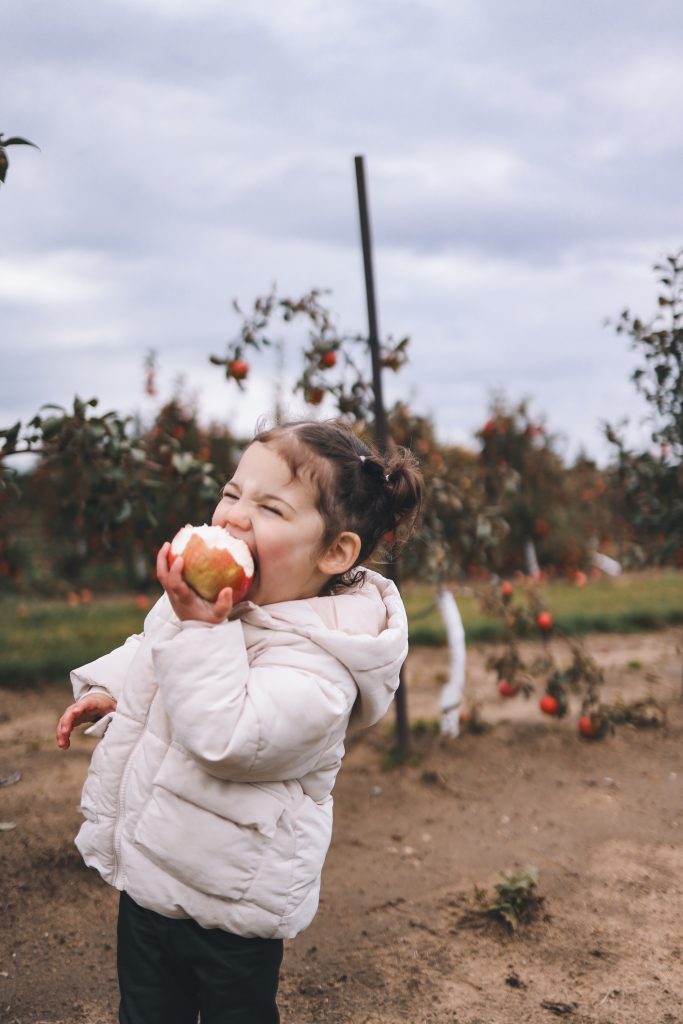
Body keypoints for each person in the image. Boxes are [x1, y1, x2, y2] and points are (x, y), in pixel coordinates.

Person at [56, 418, 424, 1024]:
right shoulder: (215, 605)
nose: (232, 516)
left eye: (271, 508)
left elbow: (228, 737)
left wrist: (205, 628)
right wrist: (113, 690)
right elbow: (156, 651)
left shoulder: (324, 667)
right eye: (231, 493)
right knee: (145, 1011)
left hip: (233, 903)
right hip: (155, 870)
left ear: (334, 552)